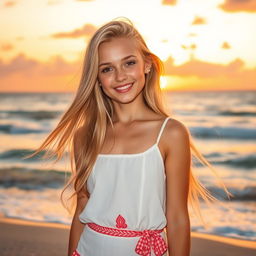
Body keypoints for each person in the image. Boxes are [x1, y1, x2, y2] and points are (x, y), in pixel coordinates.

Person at [26, 18, 231, 256]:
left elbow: (177, 217)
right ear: (97, 78)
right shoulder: (85, 135)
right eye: (107, 68)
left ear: (147, 65)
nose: (120, 76)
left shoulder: (171, 133)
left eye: (128, 63)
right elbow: (82, 205)